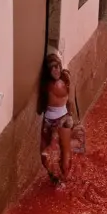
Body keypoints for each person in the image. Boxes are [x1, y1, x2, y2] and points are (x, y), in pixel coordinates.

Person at [38, 49, 78, 186]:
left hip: (58, 120)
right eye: (52, 68)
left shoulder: (52, 84)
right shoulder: (62, 80)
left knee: (56, 152)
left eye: (57, 67)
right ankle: (60, 180)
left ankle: (61, 179)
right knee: (55, 154)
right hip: (57, 119)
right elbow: (70, 101)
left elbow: (41, 107)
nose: (56, 70)